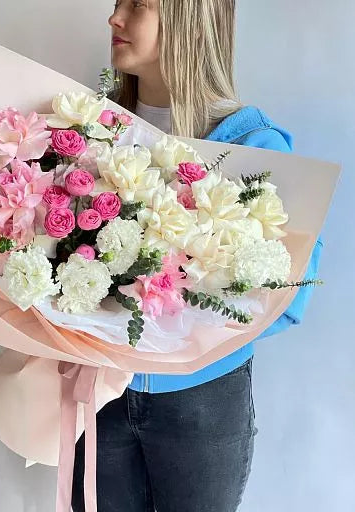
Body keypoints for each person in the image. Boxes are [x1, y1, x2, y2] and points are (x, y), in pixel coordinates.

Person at [72, 1, 323, 510]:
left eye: (137, 5)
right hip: (98, 394)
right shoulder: (89, 130)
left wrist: (186, 332)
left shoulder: (254, 146)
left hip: (201, 404)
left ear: (189, 20)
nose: (114, 18)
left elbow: (289, 294)